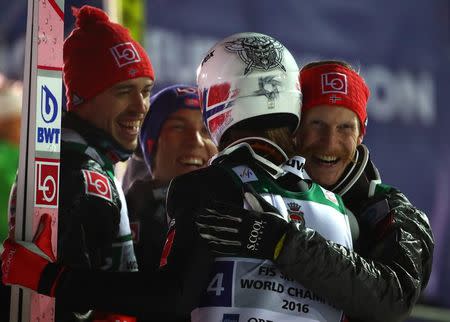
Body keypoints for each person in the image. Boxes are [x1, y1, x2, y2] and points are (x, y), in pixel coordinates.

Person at [2, 32, 353, 322]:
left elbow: (171, 297)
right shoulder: (338, 208)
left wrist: (49, 277)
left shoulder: (207, 186)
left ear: (217, 102)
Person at [196, 60, 435, 322]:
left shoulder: (390, 211)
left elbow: (393, 299)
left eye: (345, 127)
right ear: (294, 129)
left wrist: (284, 243)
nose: (329, 143)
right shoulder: (248, 184)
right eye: (317, 124)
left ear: (360, 135)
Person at [5, 5, 155, 321]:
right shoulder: (85, 178)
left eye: (145, 91)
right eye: (124, 91)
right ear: (84, 98)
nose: (140, 106)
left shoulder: (73, 159)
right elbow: (68, 308)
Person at [125, 84, 217, 271]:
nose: (196, 141)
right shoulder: (126, 211)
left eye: (206, 130)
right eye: (179, 127)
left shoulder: (239, 206)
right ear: (151, 144)